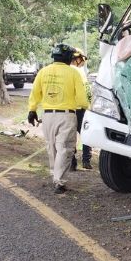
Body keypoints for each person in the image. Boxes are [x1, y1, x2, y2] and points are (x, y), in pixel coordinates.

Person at [27, 44, 89, 194]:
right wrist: (88, 108)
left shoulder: (43, 72)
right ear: (68, 57)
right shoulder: (73, 73)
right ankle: (59, 182)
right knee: (65, 148)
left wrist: (32, 110)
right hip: (66, 115)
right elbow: (82, 100)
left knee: (52, 147)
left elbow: (35, 93)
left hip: (47, 116)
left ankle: (55, 177)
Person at [70, 49, 93, 170]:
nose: (83, 61)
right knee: (85, 134)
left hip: (68, 109)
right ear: (77, 58)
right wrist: (88, 106)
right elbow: (86, 90)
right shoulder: (78, 71)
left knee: (69, 137)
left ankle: (72, 163)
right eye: (83, 59)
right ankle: (86, 161)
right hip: (80, 109)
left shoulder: (65, 70)